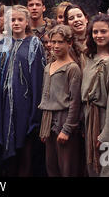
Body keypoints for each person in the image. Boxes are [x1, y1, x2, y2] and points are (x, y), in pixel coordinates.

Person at [0, 5, 46, 177]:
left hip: (24, 103)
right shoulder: (1, 43)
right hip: (4, 103)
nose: (16, 23)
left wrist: (36, 108)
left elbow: (38, 77)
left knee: (25, 144)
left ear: (27, 22)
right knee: (6, 150)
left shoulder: (35, 44)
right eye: (12, 20)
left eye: (20, 20)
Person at [81, 13, 109, 177]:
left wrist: (107, 132)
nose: (99, 36)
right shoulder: (90, 58)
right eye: (95, 32)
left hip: (106, 120)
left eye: (103, 32)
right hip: (90, 118)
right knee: (93, 166)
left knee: (108, 167)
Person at [38, 24, 83, 177]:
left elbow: (75, 102)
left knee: (67, 168)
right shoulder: (49, 66)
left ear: (69, 43)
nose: (55, 46)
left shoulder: (73, 68)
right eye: (53, 42)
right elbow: (46, 98)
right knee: (52, 167)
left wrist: (67, 129)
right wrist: (44, 127)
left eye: (60, 42)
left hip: (64, 120)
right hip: (49, 122)